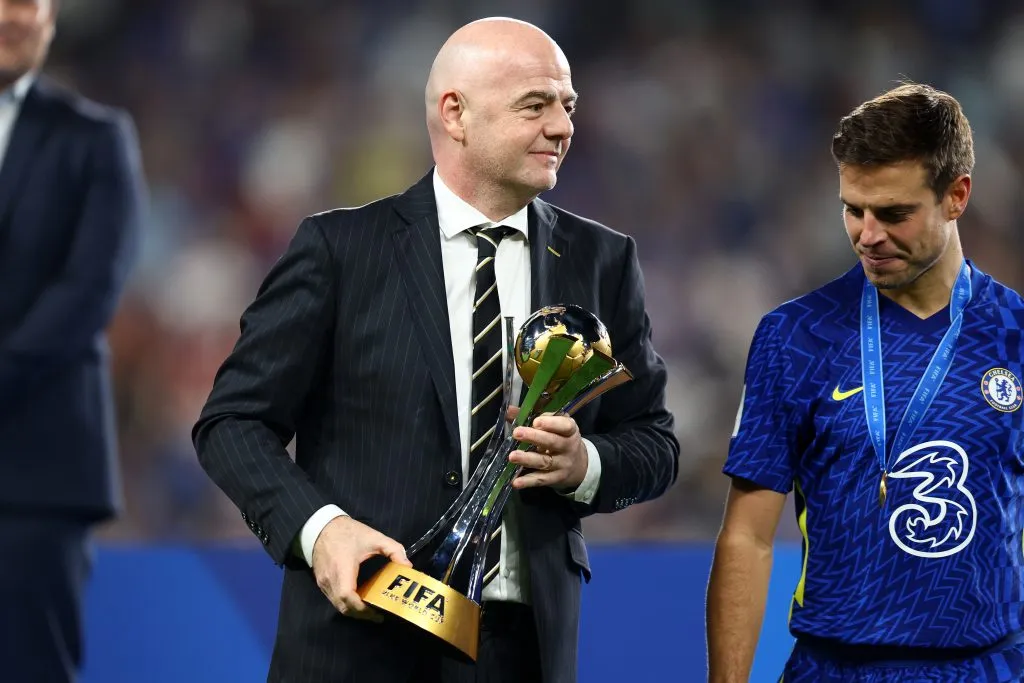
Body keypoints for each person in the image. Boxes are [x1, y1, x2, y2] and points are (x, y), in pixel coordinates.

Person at [192, 16, 678, 683]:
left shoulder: (604, 260)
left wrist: (585, 463)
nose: (562, 127)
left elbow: (655, 442)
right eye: (534, 105)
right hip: (359, 635)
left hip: (522, 651)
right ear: (455, 114)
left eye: (567, 106)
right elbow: (232, 422)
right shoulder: (341, 251)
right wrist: (321, 529)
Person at [706, 82, 1024, 682]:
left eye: (894, 214)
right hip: (835, 667)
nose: (868, 235)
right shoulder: (795, 336)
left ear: (956, 197)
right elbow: (747, 538)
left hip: (988, 667)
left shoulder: (1015, 334)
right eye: (853, 209)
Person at [0, 0, 145, 681]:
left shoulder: (95, 138)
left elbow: (90, 288)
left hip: (35, 468)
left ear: (51, 19)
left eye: (27, 1)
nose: (11, 15)